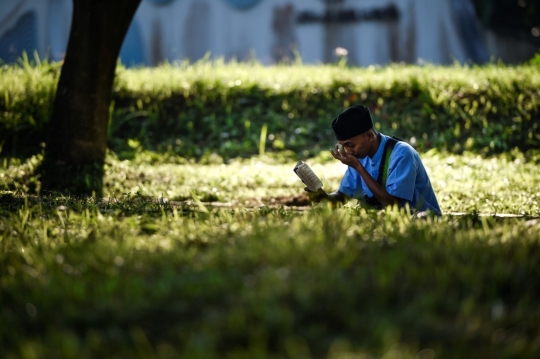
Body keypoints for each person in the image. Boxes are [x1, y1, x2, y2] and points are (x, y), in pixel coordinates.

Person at [306, 104, 441, 215]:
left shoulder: (401, 153)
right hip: (386, 220)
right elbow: (342, 197)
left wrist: (359, 167)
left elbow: (392, 204)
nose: (348, 151)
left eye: (350, 145)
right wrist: (325, 197)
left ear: (369, 136)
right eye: (344, 146)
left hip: (420, 218)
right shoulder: (360, 156)